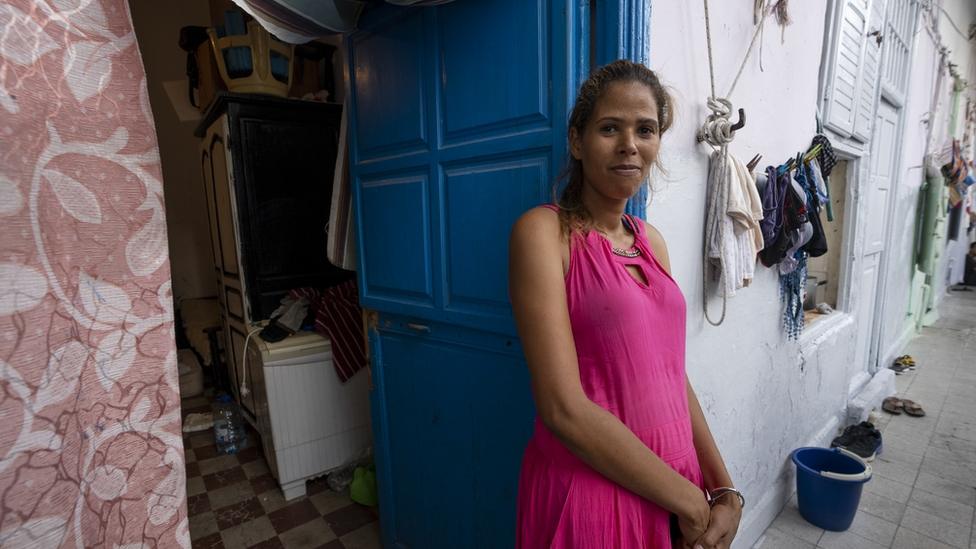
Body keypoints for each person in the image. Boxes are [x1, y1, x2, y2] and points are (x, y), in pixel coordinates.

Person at [509, 60, 742, 548]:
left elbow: (671, 374)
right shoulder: (544, 234)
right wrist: (690, 500)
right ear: (577, 140)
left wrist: (723, 489)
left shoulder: (651, 242)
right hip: (593, 498)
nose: (629, 145)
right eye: (610, 128)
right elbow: (562, 409)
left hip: (675, 494)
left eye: (646, 129)